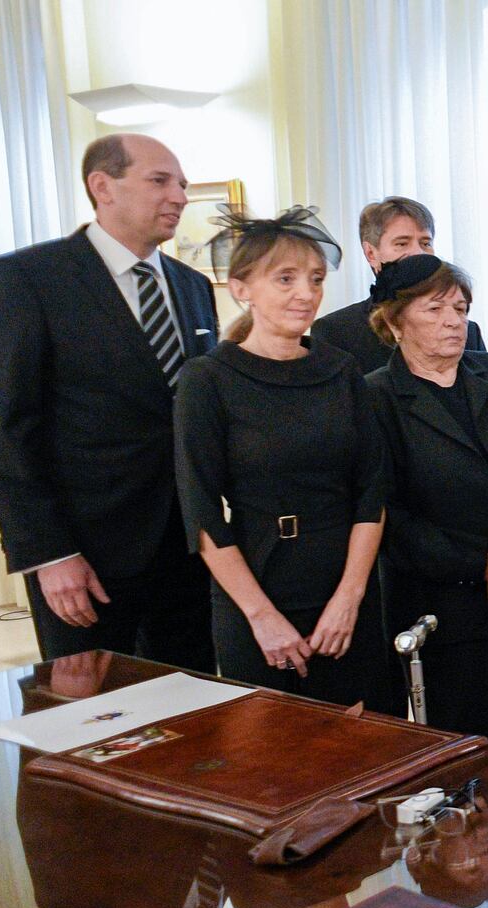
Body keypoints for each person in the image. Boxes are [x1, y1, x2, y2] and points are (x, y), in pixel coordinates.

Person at [0, 133, 218, 668]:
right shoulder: (24, 280)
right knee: (91, 726)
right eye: (160, 180)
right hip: (87, 555)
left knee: (194, 717)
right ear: (102, 186)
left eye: (182, 183)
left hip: (188, 551)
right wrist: (49, 553)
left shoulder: (193, 286)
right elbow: (2, 428)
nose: (179, 195)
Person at [174, 207, 393, 708]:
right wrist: (261, 617)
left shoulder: (341, 370)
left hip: (343, 581)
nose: (306, 293)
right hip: (256, 582)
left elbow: (370, 494)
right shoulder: (207, 380)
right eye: (286, 278)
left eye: (315, 279)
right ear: (242, 288)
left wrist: (349, 599)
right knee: (268, 754)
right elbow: (203, 514)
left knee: (356, 747)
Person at [365, 255, 488, 745]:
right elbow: (388, 516)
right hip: (440, 608)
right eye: (435, 309)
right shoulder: (376, 397)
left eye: (461, 308)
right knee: (463, 753)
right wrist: (480, 564)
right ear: (395, 322)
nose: (453, 321)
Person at [311, 196, 488, 373]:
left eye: (425, 243)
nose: (418, 252)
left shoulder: (467, 331)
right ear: (371, 253)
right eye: (402, 243)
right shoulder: (336, 332)